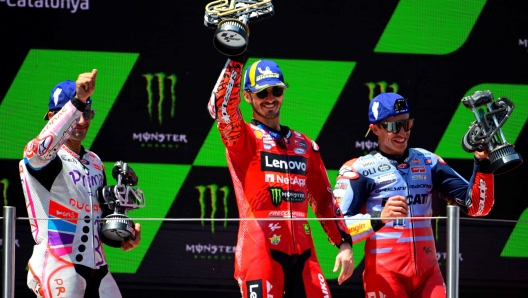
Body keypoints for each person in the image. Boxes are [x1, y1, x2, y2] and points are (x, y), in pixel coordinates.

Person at [207, 56, 354, 297]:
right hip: (259, 251)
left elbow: (325, 200)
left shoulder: (305, 145)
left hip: (305, 253)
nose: (270, 98)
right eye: (262, 93)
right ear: (247, 96)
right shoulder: (243, 138)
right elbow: (220, 107)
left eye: (276, 91)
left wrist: (344, 243)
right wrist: (236, 58)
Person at [333, 92, 495, 297]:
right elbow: (338, 226)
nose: (403, 132)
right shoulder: (358, 169)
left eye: (407, 124)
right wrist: (379, 218)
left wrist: (483, 163)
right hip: (385, 275)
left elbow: (478, 207)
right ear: (375, 129)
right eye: (394, 126)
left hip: (429, 276)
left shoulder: (428, 161)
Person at [19, 69, 141, 298]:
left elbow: (96, 221)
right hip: (57, 263)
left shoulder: (94, 161)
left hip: (98, 270)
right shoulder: (38, 155)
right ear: (52, 116)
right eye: (76, 114)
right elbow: (41, 150)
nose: (82, 121)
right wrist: (77, 102)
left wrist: (123, 235)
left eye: (87, 113)